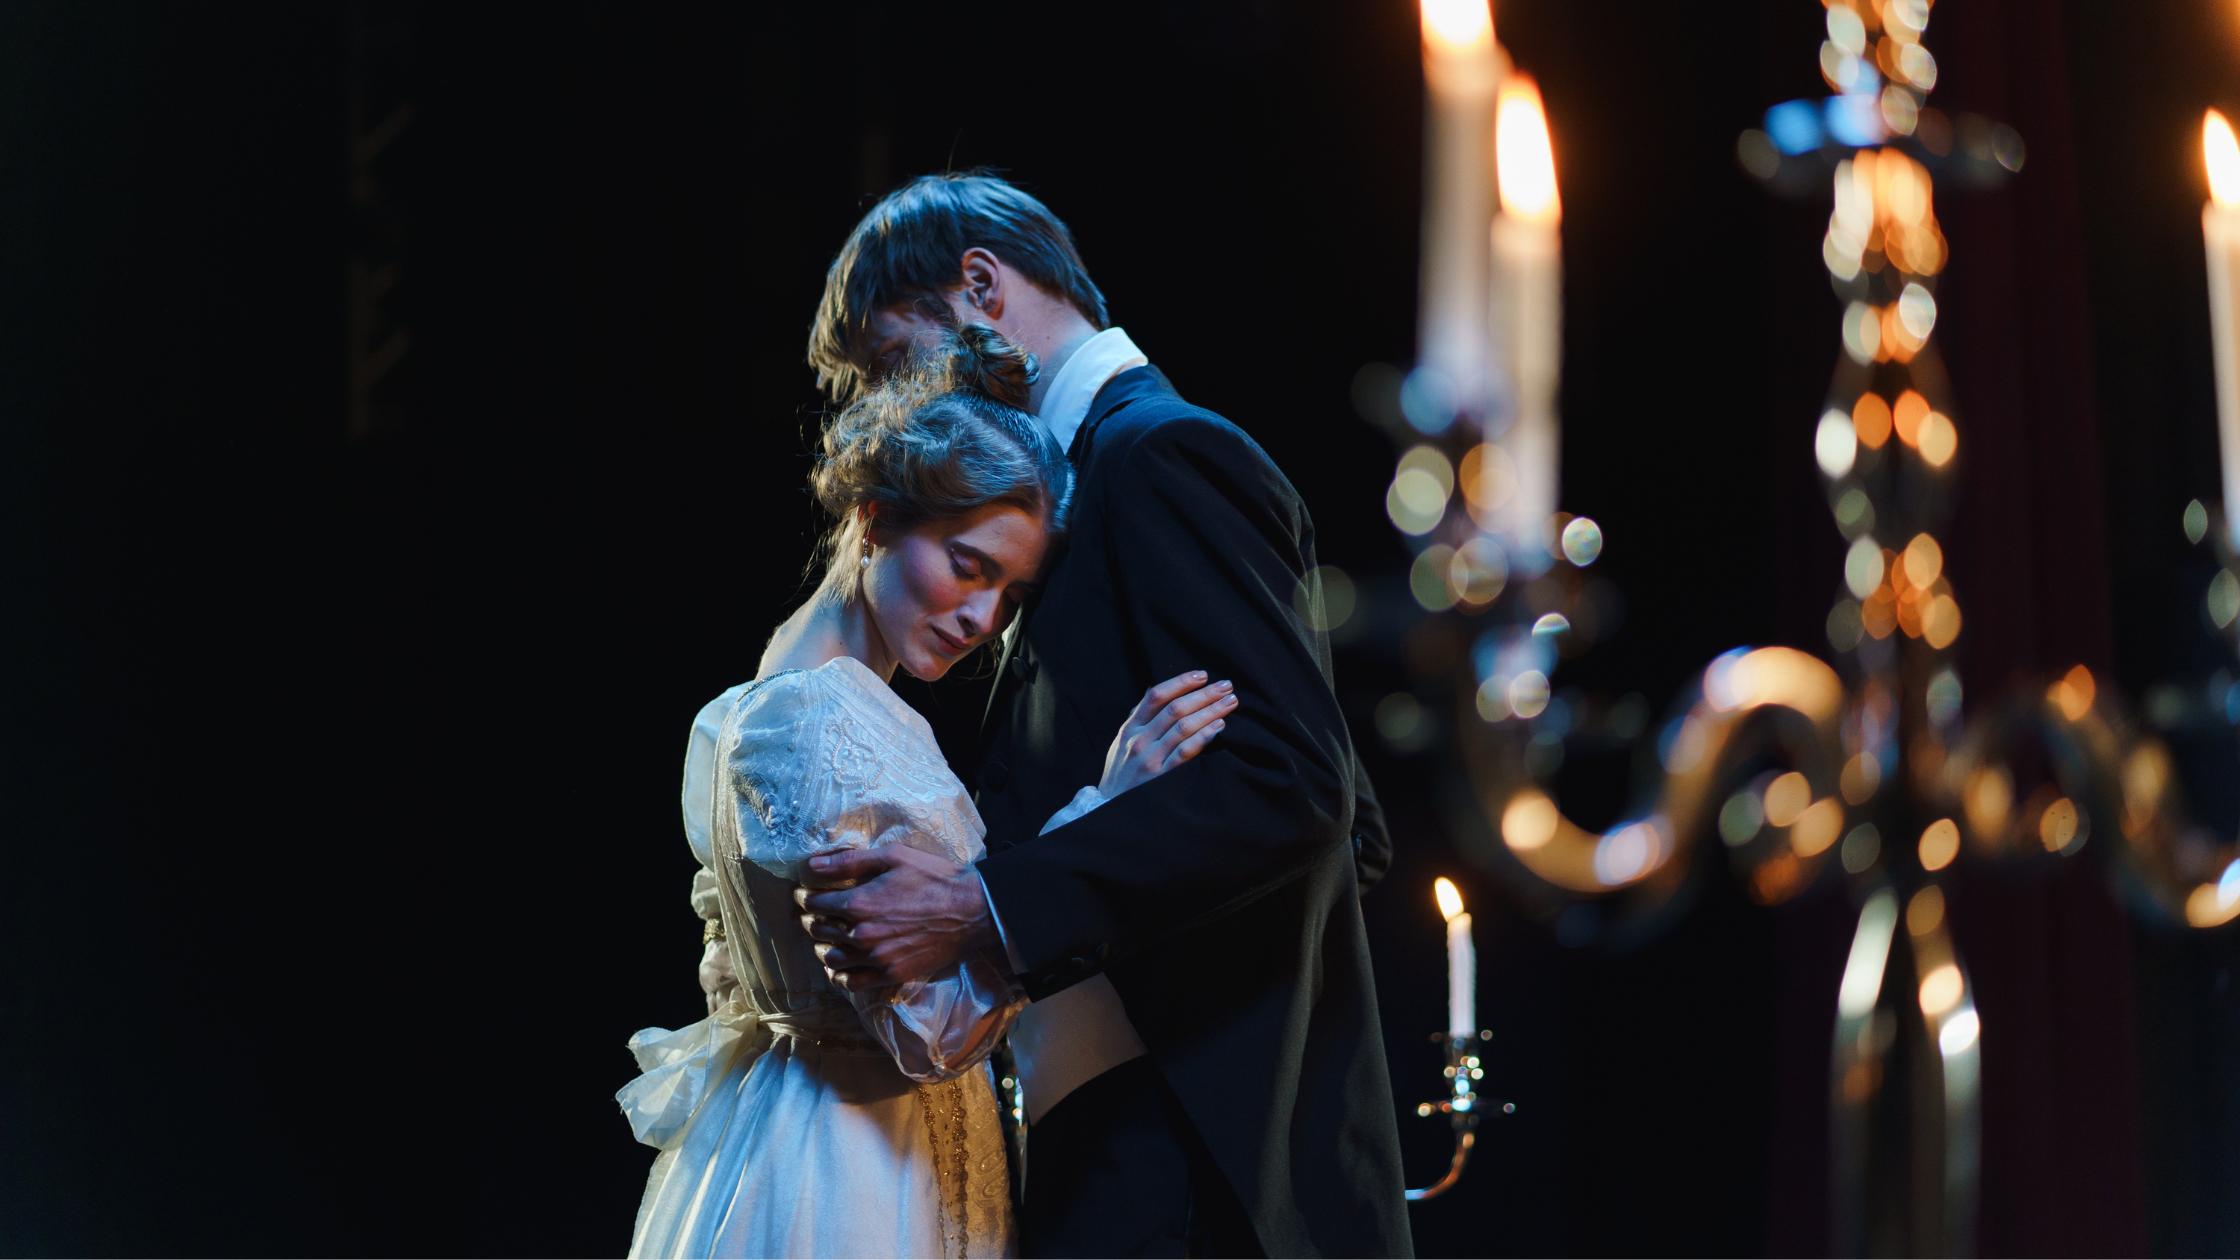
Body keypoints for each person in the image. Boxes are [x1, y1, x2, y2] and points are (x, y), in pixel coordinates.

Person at [797, 173, 1412, 1258]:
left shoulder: (1155, 455)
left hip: (1190, 1152)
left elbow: (1303, 789)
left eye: (902, 361)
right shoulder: (1066, 494)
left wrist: (989, 905)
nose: (914, 409)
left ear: (979, 284)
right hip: (1132, 1140)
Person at [616, 324, 1238, 1258]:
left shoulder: (767, 696)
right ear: (873, 519)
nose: (983, 618)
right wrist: (1102, 814)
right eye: (967, 564)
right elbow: (930, 1035)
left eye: (1009, 595)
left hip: (821, 1133)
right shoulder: (821, 727)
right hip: (857, 1172)